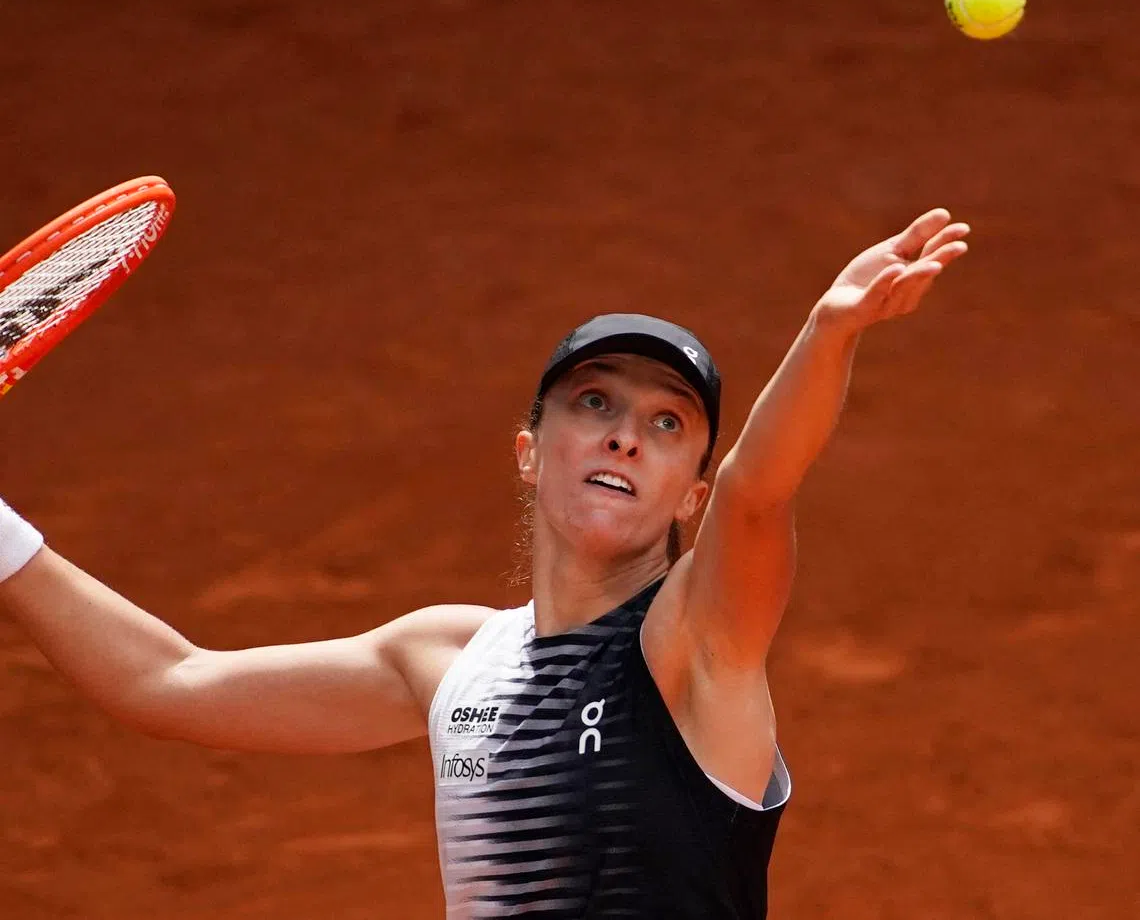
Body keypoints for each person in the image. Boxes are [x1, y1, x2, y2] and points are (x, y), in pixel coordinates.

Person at [0, 208, 969, 918]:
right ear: (528, 450)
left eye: (667, 424)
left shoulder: (696, 646)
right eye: (594, 404)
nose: (624, 436)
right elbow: (167, 682)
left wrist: (829, 331)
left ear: (692, 496)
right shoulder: (446, 659)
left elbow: (763, 487)